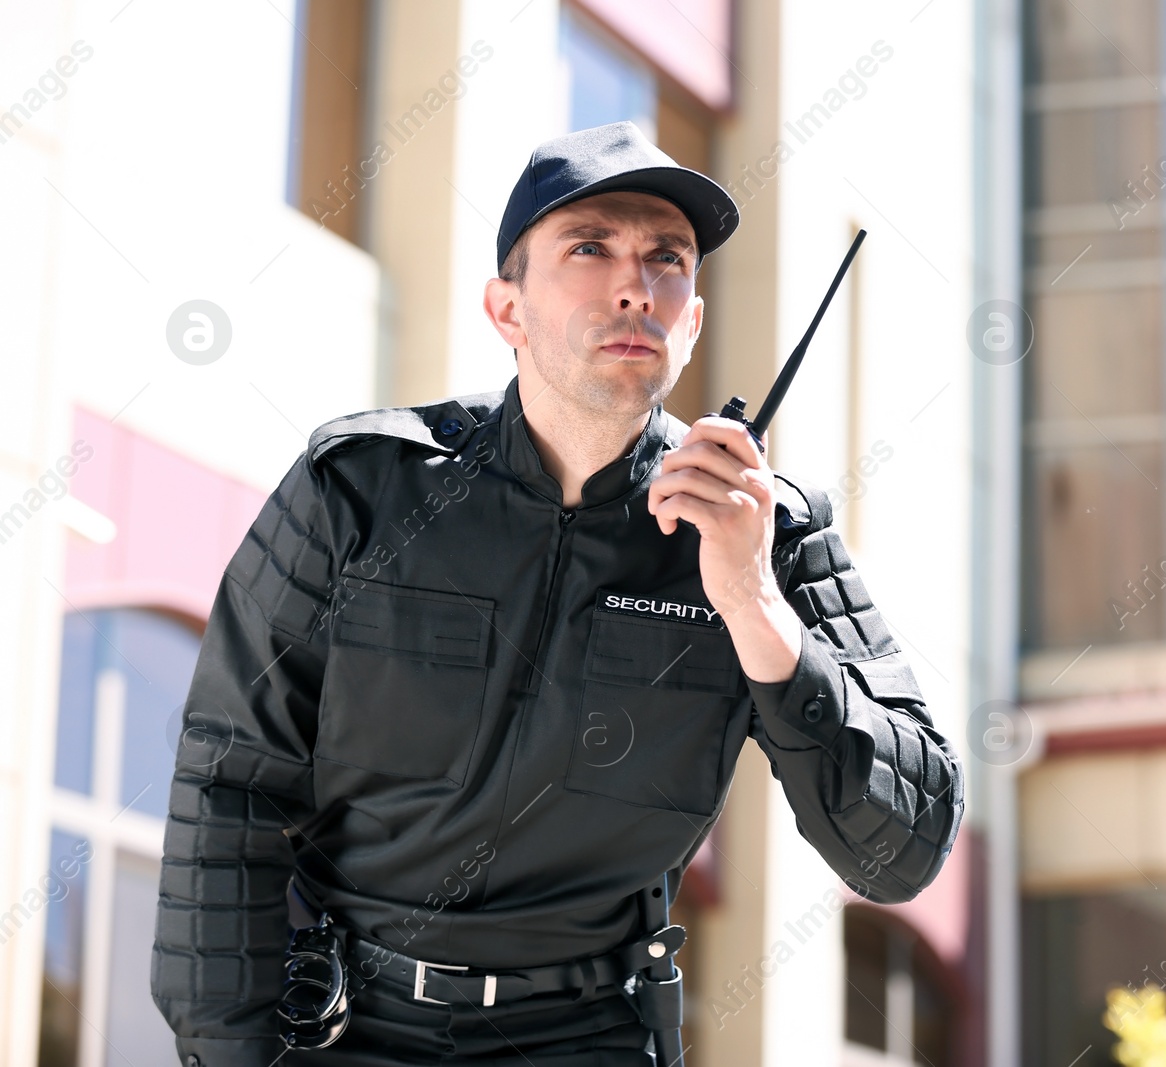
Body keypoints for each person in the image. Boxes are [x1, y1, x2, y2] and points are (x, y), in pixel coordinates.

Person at [150, 120, 964, 1066]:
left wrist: (753, 604)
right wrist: (230, 1052)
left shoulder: (768, 531)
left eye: (669, 260)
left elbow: (903, 850)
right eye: (591, 247)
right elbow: (229, 784)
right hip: (344, 1024)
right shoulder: (361, 488)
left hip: (587, 1034)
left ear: (691, 322)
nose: (636, 286)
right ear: (508, 310)